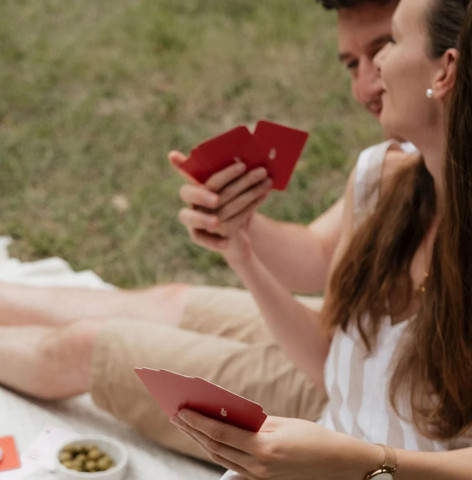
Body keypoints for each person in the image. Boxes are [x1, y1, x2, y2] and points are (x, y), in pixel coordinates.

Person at [0, 0, 402, 462]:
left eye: (386, 48)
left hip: (350, 392)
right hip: (344, 342)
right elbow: (320, 255)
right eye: (352, 64)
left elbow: (339, 368)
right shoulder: (396, 159)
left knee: (85, 346)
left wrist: (243, 258)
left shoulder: (430, 174)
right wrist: (237, 223)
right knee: (165, 302)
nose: (364, 87)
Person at [170, 0, 472, 477]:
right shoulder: (380, 180)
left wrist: (369, 463)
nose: (372, 74)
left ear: (445, 70)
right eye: (353, 62)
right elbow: (336, 362)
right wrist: (242, 253)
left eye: (391, 41)